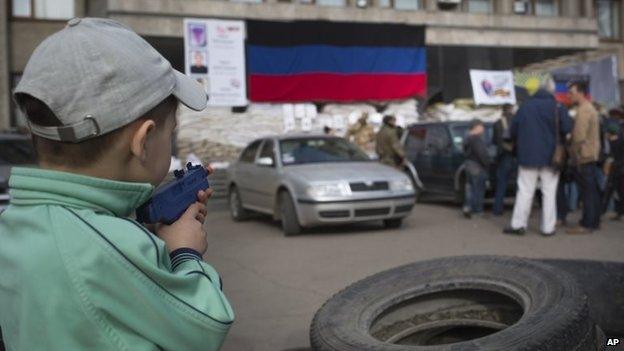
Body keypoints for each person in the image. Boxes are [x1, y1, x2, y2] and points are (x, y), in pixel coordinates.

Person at [0, 18, 234, 351]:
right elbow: (208, 323)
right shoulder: (107, 248)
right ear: (144, 140)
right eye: (171, 132)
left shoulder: (14, 223)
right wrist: (184, 253)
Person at [504, 80, 573, 236]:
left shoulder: (525, 107)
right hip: (552, 158)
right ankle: (548, 228)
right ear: (552, 91)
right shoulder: (558, 107)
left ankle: (518, 225)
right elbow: (567, 128)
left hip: (527, 156)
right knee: (549, 192)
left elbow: (512, 130)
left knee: (525, 191)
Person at [566, 81, 602, 234]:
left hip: (584, 156)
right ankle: (593, 222)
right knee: (592, 191)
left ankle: (587, 224)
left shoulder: (583, 110)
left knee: (587, 192)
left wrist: (572, 150)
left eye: (572, 92)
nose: (569, 95)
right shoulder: (588, 108)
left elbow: (579, 136)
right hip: (589, 154)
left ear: (580, 93)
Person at [462, 119, 491, 218]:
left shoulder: (467, 137)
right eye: (482, 126)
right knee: (478, 189)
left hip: (469, 165)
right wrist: (487, 164)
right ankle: (477, 211)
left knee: (470, 188)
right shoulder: (476, 139)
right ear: (477, 127)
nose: (483, 129)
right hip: (478, 167)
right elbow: (482, 154)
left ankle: (467, 207)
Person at [492, 104, 516, 216]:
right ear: (511, 109)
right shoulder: (516, 120)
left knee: (501, 183)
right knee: (520, 185)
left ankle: (497, 209)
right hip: (516, 155)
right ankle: (519, 210)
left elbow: (494, 141)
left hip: (503, 155)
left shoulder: (497, 123)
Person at [602, 120, 624, 220]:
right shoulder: (620, 139)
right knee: (620, 192)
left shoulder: (614, 142)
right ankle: (619, 212)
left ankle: (600, 213)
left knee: (608, 191)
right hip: (620, 169)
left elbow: (612, 156)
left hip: (616, 169)